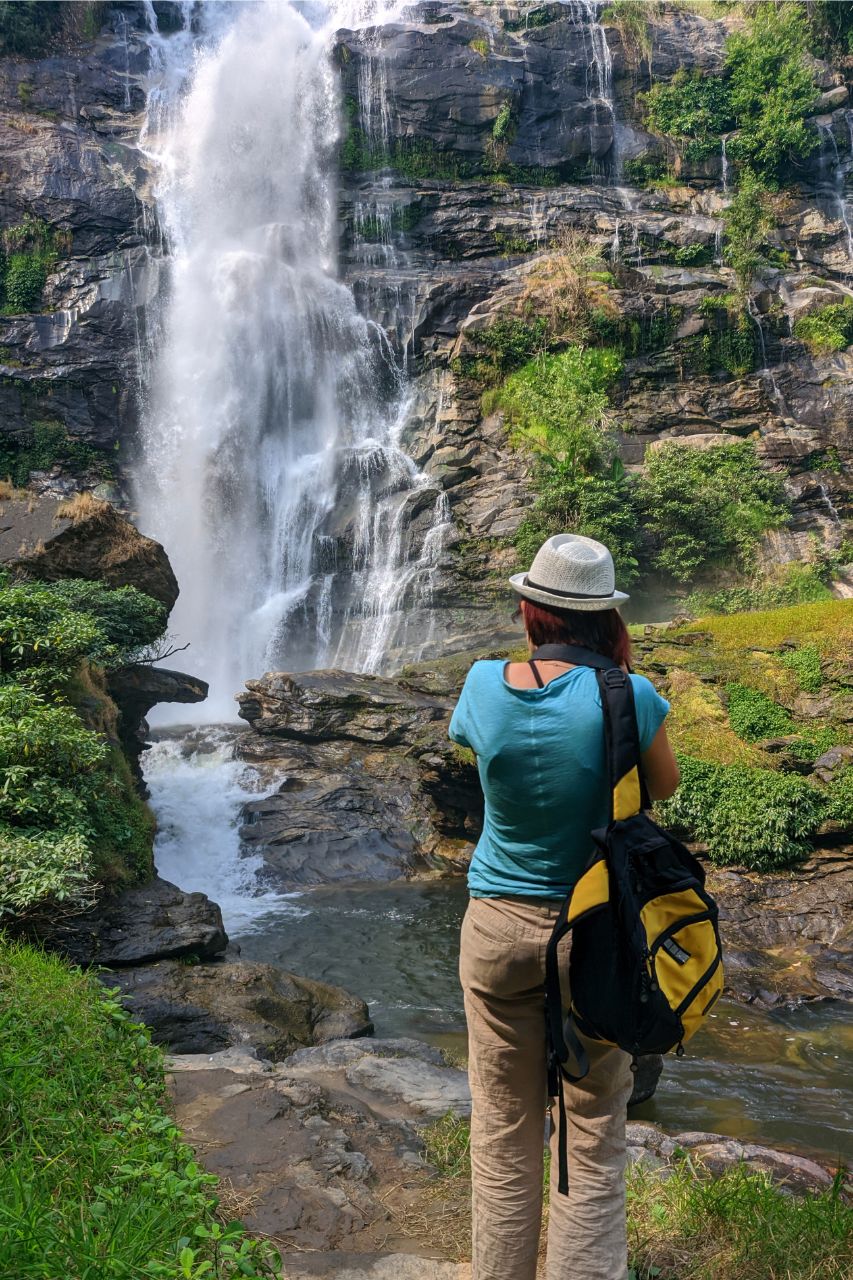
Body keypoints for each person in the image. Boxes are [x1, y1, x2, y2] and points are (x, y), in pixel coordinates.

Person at [449, 533, 680, 1280]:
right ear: (606, 618)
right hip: (597, 932)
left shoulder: (481, 685)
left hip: (495, 927)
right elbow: (662, 787)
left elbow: (478, 757)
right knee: (592, 1126)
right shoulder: (631, 696)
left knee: (502, 1123)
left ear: (529, 612)